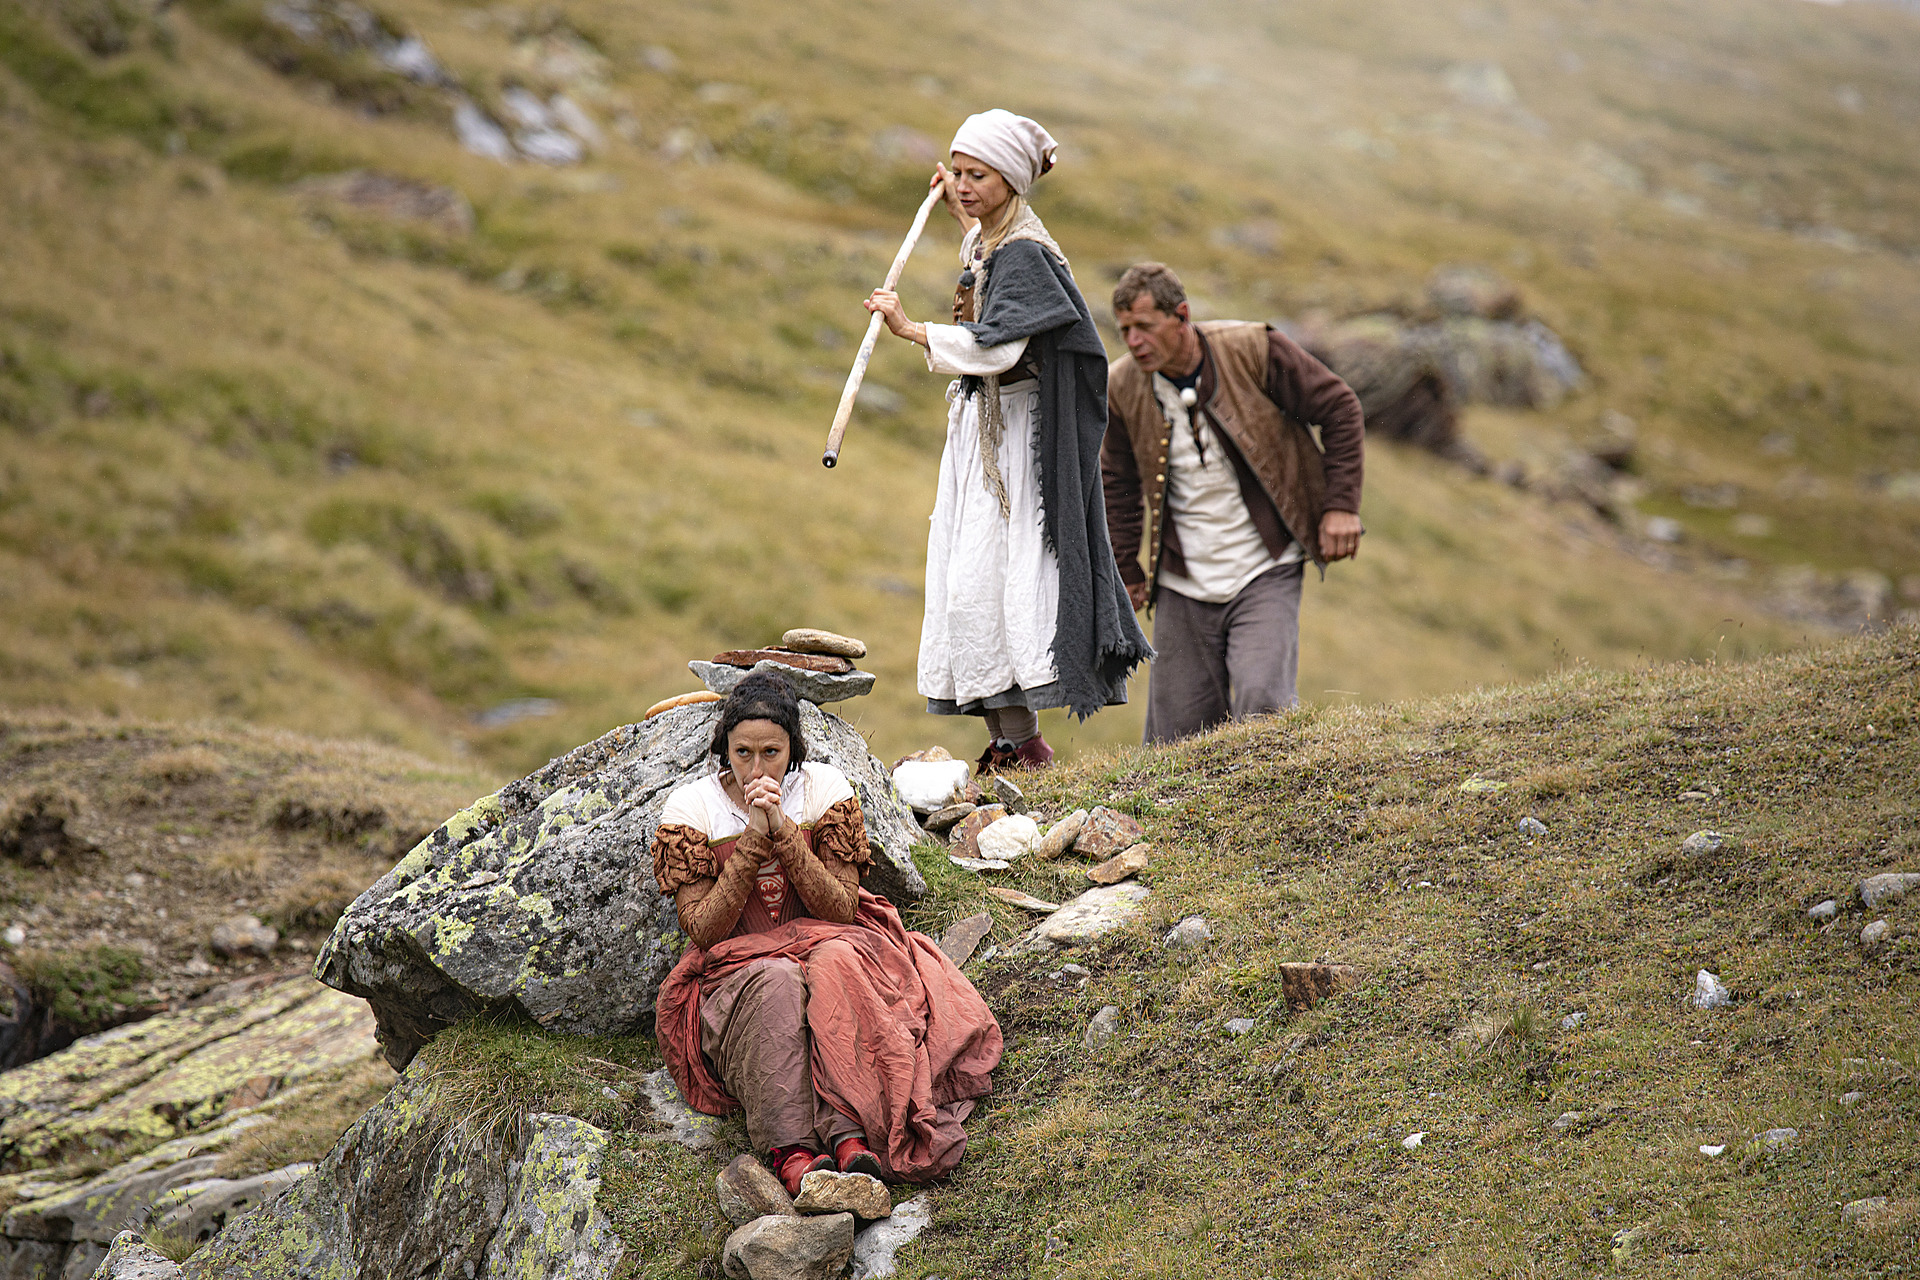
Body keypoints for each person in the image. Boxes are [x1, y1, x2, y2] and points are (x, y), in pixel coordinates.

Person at [864, 109, 1151, 773]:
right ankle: (1010, 742)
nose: (964, 185)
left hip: (1015, 442)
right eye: (957, 173)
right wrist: (961, 213)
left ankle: (1024, 746)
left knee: (995, 582)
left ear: (1011, 180)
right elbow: (982, 252)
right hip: (981, 435)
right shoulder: (997, 239)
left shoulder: (1025, 254)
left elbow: (1003, 346)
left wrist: (912, 330)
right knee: (971, 583)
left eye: (978, 175)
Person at [650, 673, 1003, 1194]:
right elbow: (704, 930)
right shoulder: (692, 808)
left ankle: (851, 1135)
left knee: (834, 961)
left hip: (832, 942)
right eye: (742, 752)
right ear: (724, 747)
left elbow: (840, 910)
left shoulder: (824, 789)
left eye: (771, 751)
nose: (756, 766)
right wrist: (752, 838)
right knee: (777, 982)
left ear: (792, 747)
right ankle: (792, 1151)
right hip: (736, 973)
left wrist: (784, 831)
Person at [1100, 262, 1366, 743]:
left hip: (1266, 564)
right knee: (1174, 739)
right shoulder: (1122, 386)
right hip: (1183, 579)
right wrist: (1126, 568)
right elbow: (1115, 480)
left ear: (1181, 316)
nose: (1134, 341)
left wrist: (1340, 506)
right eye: (1124, 331)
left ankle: (1278, 809)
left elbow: (1340, 407)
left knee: (1264, 703)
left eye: (1145, 326)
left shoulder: (1252, 348)